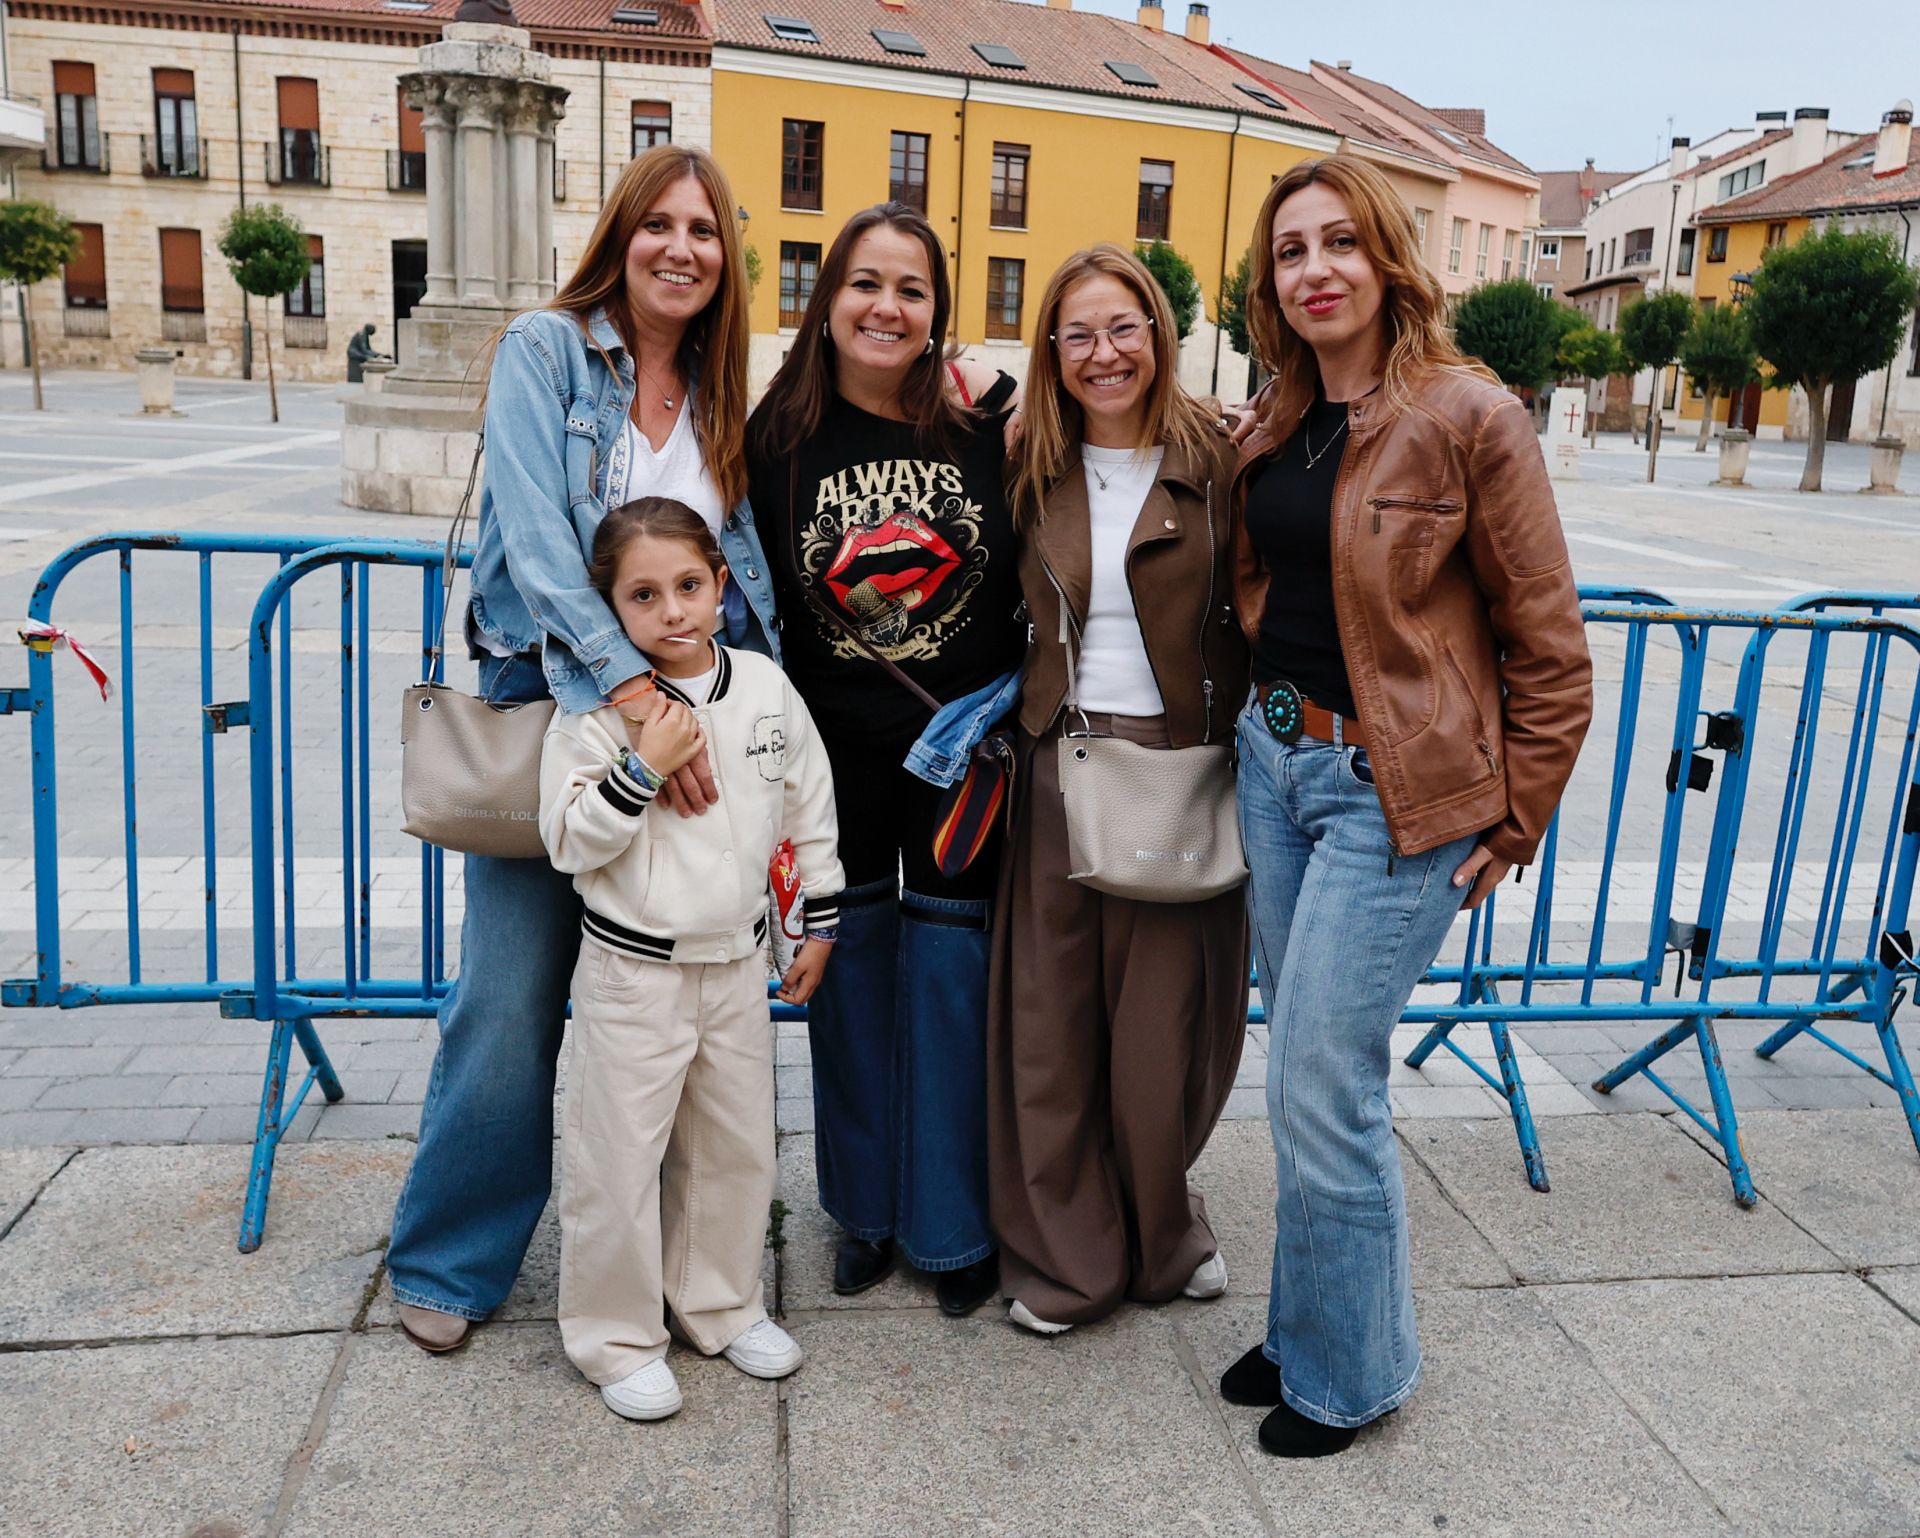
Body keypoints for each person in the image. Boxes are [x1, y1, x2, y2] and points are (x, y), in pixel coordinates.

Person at [1221, 155, 1592, 1455]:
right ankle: (1310, 1317)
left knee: (1328, 1082)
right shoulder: (1274, 414)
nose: (1314, 268)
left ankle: (1352, 1371)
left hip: (1395, 794)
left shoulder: (1470, 414)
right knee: (1304, 1075)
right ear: (1271, 282)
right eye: (1290, 251)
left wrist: (1517, 812)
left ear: (1386, 259)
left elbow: (1550, 641)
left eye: (1338, 243)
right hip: (1275, 765)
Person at [385, 144, 777, 1354]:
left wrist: (745, 731)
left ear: (728, 259)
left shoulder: (723, 389)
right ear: (621, 233)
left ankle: (664, 1266)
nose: (681, 248)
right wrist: (625, 690)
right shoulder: (545, 350)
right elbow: (541, 542)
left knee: (660, 1000)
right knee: (509, 995)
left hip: (687, 724)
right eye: (659, 224)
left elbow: (738, 573)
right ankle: (449, 1255)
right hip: (556, 700)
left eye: (705, 231)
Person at [746, 203, 1023, 1317]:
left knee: (955, 987)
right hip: (828, 759)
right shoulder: (772, 444)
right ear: (829, 301)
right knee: (846, 983)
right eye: (866, 282)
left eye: (911, 289)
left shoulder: (985, 436)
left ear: (935, 314)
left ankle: (952, 1225)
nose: (886, 305)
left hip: (961, 758)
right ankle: (862, 1211)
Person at [988, 245, 1249, 1335]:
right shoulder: (1024, 459)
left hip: (1182, 773)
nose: (1105, 353)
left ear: (1159, 334)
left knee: (1163, 1033)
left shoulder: (1223, 457)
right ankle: (1067, 1256)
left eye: (1125, 327)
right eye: (1080, 332)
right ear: (1053, 346)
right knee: (1050, 1031)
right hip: (1060, 760)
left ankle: (1162, 1229)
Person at [540, 496, 842, 1421]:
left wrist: (814, 926)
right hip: (634, 974)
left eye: (687, 585)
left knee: (734, 1146)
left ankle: (720, 1301)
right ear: (612, 608)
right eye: (643, 595)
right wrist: (639, 771)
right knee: (617, 1158)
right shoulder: (597, 713)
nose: (671, 610)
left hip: (734, 965)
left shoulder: (762, 686)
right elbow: (567, 839)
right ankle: (617, 1337)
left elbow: (807, 812)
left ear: (719, 582)